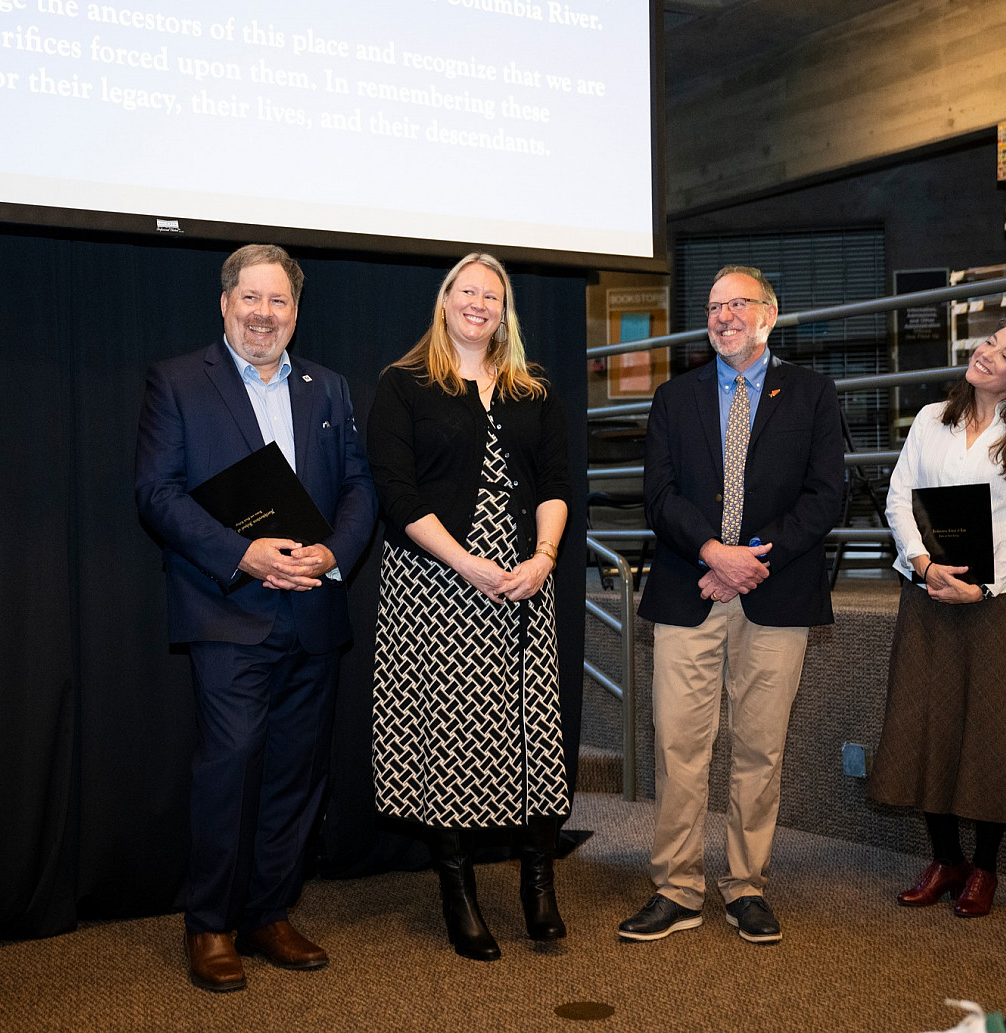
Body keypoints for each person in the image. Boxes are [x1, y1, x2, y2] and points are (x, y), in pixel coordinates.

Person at [135, 244, 377, 991]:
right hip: (228, 609)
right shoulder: (178, 381)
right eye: (251, 299)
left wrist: (331, 553)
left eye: (279, 302)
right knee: (229, 767)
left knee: (296, 774)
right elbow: (156, 493)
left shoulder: (329, 387)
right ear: (225, 303)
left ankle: (270, 910)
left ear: (295, 313)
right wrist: (243, 554)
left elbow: (360, 486)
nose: (264, 314)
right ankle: (210, 924)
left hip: (313, 607)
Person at [619, 265, 844, 945]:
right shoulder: (672, 394)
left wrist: (751, 560)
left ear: (769, 314)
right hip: (691, 588)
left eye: (737, 304)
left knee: (759, 749)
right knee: (680, 747)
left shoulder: (811, 393)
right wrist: (715, 553)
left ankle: (746, 885)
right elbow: (658, 495)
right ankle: (678, 886)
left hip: (776, 593)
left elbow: (826, 495)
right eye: (714, 307)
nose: (722, 316)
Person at [367, 252, 571, 961]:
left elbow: (555, 481)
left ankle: (538, 887)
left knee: (531, 734)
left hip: (523, 579)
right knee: (449, 738)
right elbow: (395, 491)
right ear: (445, 299)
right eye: (467, 290)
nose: (479, 302)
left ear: (504, 308)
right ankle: (459, 893)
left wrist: (543, 559)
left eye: (493, 294)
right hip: (437, 580)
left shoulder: (531, 389)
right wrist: (466, 562)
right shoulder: (405, 384)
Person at [869, 322, 1006, 917]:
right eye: (990, 340)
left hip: (994, 605)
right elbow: (900, 496)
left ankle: (985, 868)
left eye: (1005, 351)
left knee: (987, 732)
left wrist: (984, 588)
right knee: (925, 723)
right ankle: (946, 858)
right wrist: (924, 566)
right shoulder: (930, 418)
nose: (987, 351)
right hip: (927, 593)